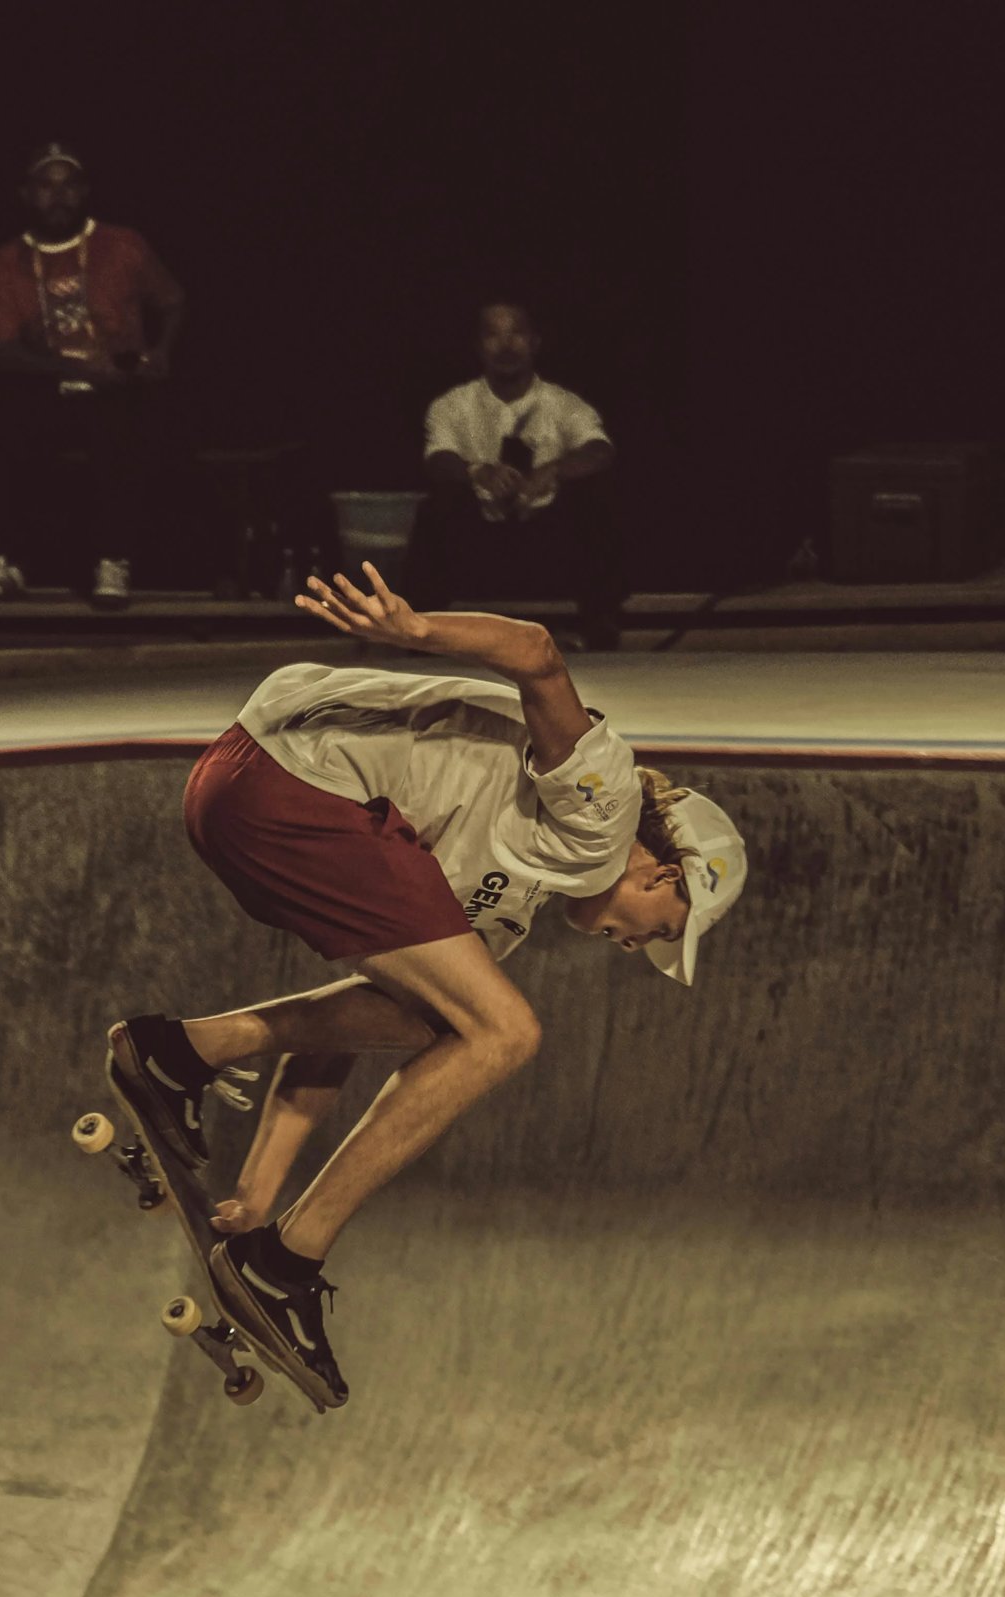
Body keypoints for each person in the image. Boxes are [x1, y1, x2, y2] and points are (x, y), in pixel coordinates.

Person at [106, 564, 748, 1409]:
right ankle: (286, 1267)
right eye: (656, 931)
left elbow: (343, 1038)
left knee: (428, 1021)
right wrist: (414, 631)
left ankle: (181, 1054)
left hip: (235, 799)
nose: (633, 947)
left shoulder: (510, 910)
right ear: (664, 872)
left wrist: (260, 1187)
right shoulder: (602, 812)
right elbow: (540, 656)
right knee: (508, 1032)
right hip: (292, 780)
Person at [0, 141, 185, 610]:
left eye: (68, 186)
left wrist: (161, 350)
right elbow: (2, 351)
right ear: (26, 194)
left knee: (131, 421)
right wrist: (77, 368)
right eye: (46, 186)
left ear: (84, 192)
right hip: (48, 383)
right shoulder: (7, 260)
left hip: (118, 384)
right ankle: (3, 562)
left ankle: (113, 560)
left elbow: (172, 299)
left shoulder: (122, 243)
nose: (57, 197)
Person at [406, 301, 625, 648]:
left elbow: (601, 449)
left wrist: (553, 471)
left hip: (547, 544)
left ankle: (598, 625)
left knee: (598, 497)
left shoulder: (564, 403)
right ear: (478, 347)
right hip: (479, 547)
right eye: (493, 335)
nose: (506, 345)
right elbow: (436, 458)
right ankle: (422, 634)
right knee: (439, 504)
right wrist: (478, 472)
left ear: (535, 342)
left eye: (517, 333)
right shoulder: (452, 404)